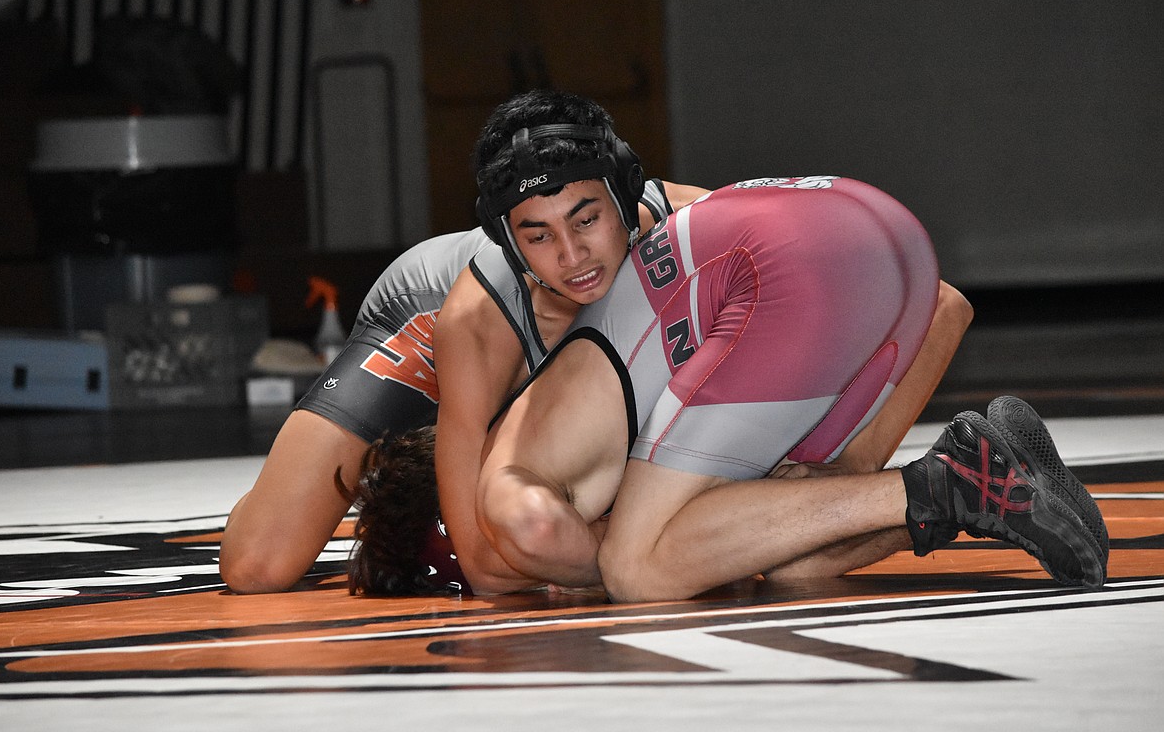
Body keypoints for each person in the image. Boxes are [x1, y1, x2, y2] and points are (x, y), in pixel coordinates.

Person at [346, 177, 1106, 603]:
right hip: (872, 277)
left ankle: (958, 481)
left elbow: (526, 549)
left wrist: (854, 474)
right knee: (798, 557)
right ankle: (979, 478)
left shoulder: (575, 420)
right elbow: (943, 305)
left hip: (809, 301)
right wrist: (846, 474)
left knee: (643, 566)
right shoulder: (608, 329)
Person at [220, 90, 708, 593]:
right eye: (538, 236)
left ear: (626, 192)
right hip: (424, 318)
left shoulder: (703, 227)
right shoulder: (473, 318)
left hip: (534, 357)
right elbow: (483, 566)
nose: (573, 255)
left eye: (586, 219)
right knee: (259, 564)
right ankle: (296, 483)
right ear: (508, 239)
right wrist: (633, 559)